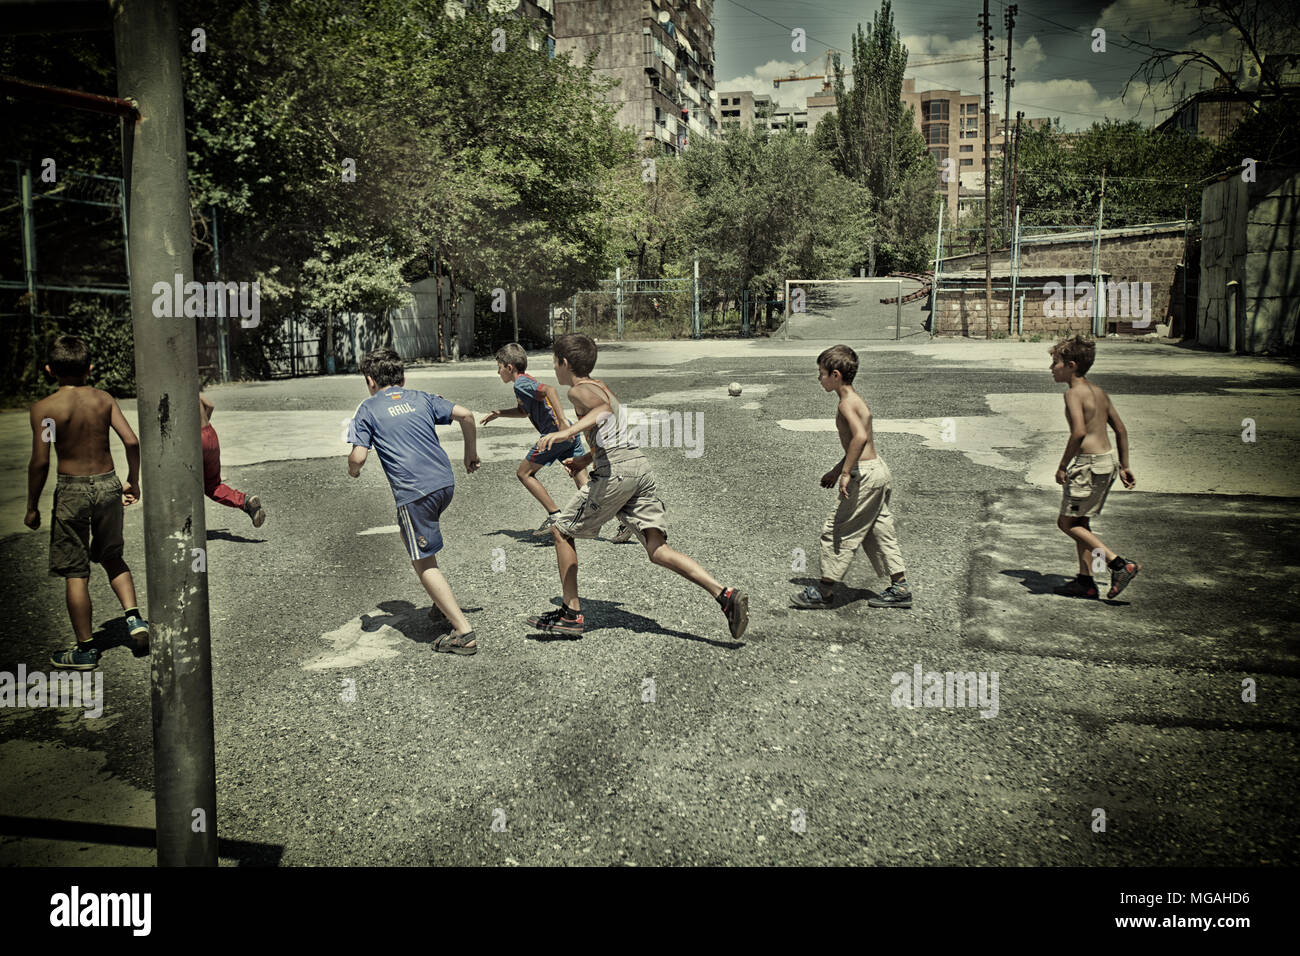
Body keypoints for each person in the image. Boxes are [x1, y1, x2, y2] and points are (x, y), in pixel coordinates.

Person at [526, 333, 749, 640]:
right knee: (657, 550)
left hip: (616, 473)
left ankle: (570, 613)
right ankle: (725, 595)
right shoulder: (601, 386)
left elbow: (601, 413)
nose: (554, 368)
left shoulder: (579, 391)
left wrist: (567, 434)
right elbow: (611, 426)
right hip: (638, 468)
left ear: (564, 363)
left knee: (561, 530)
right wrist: (585, 460)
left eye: (554, 362)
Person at [346, 347, 481, 654]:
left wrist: (352, 470)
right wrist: (470, 453)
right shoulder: (420, 398)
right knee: (427, 541)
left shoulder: (367, 409)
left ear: (370, 381)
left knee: (423, 561)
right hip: (444, 485)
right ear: (403, 377)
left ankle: (463, 632)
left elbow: (358, 457)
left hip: (414, 494)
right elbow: (466, 415)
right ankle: (440, 605)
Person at [26, 335, 149, 669]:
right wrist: (132, 480)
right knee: (112, 555)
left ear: (50, 370)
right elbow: (132, 441)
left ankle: (85, 649)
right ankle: (135, 619)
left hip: (72, 491)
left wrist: (32, 505)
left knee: (76, 572)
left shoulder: (45, 410)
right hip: (108, 484)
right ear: (90, 368)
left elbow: (41, 462)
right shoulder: (103, 400)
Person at [792, 345, 912, 610]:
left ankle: (824, 592)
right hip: (877, 469)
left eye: (821, 373)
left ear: (835, 375)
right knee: (878, 530)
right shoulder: (856, 400)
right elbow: (859, 447)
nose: (818, 378)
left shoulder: (846, 404)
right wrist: (837, 471)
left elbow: (859, 437)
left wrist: (846, 473)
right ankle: (900, 587)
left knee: (837, 530)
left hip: (865, 476)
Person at [1049, 335, 1140, 599]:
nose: (1052, 368)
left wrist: (1063, 465)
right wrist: (1125, 465)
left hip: (1087, 465)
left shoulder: (1072, 394)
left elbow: (1078, 433)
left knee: (1066, 523)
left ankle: (1119, 564)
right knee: (1082, 521)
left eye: (1056, 362)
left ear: (1071, 365)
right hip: (1107, 462)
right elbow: (1120, 430)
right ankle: (1085, 581)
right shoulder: (1099, 392)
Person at [480, 343, 590, 536]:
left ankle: (555, 515)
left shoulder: (521, 383)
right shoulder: (523, 383)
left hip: (555, 434)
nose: (498, 373)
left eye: (499, 368)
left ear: (509, 367)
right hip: (568, 432)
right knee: (584, 482)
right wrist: (499, 413)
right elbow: (524, 411)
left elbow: (550, 390)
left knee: (524, 473)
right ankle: (625, 517)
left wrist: (562, 423)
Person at [200, 392, 265, 527]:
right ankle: (245, 501)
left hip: (195, 439)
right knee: (213, 484)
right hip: (210, 433)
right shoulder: (188, 384)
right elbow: (210, 406)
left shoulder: (169, 388)